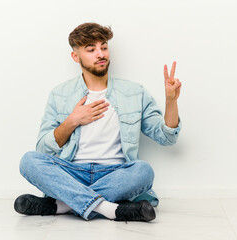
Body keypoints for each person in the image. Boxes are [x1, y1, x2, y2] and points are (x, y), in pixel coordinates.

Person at [14, 22, 182, 222]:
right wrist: (72, 121)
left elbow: (166, 137)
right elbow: (43, 149)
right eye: (91, 49)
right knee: (29, 161)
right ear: (75, 57)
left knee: (143, 171)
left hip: (115, 174)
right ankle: (111, 209)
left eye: (103, 47)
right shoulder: (60, 94)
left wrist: (171, 101)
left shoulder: (134, 92)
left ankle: (63, 205)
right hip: (73, 173)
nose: (100, 54)